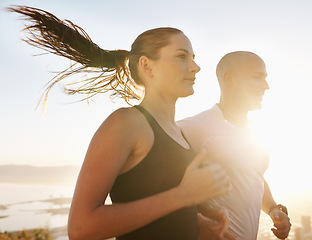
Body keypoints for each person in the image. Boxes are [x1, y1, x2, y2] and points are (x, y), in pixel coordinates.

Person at [8, 5, 231, 240]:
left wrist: (197, 219)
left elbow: (155, 202)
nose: (195, 67)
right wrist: (183, 196)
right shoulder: (126, 124)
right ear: (147, 66)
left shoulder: (179, 133)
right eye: (181, 56)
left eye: (193, 58)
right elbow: (81, 228)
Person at [178, 51, 292, 240]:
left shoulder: (258, 134)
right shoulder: (191, 129)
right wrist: (200, 220)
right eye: (258, 78)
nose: (266, 86)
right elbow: (167, 188)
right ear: (229, 79)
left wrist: (273, 209)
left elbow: (254, 177)